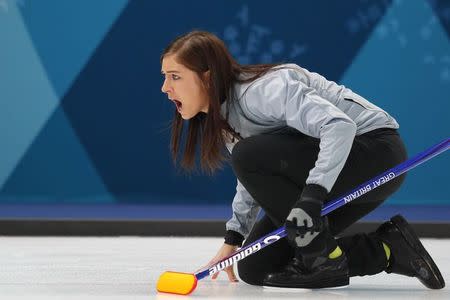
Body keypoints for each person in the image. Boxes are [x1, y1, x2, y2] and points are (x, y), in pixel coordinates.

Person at [160, 30, 445, 289]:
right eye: (165, 77)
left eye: (175, 76)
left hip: (374, 152)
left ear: (207, 78)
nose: (165, 88)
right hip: (334, 171)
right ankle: (387, 249)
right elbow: (253, 176)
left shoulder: (259, 92)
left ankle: (322, 256)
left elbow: (339, 126)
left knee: (249, 155)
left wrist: (312, 196)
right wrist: (233, 238)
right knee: (258, 266)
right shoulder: (226, 116)